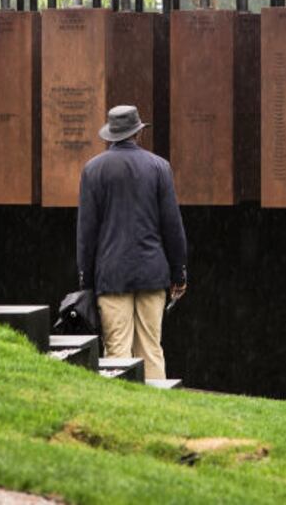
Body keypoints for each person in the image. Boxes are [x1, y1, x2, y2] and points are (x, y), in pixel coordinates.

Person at [75, 104, 188, 381]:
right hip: (152, 272)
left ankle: (118, 418)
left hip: (111, 275)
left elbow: (86, 234)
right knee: (151, 348)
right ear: (138, 134)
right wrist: (179, 273)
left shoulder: (93, 170)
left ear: (110, 136)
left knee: (117, 351)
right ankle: (159, 417)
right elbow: (172, 227)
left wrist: (86, 281)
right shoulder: (159, 167)